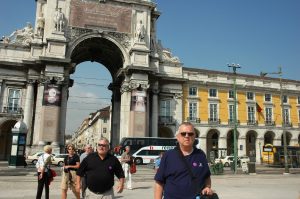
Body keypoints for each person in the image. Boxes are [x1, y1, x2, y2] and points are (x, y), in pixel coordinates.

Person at [154, 122, 213, 199]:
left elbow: (207, 177)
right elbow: (159, 182)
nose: (187, 136)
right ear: (178, 137)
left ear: (194, 136)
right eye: (183, 134)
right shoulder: (168, 156)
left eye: (190, 134)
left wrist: (207, 187)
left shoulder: (201, 155)